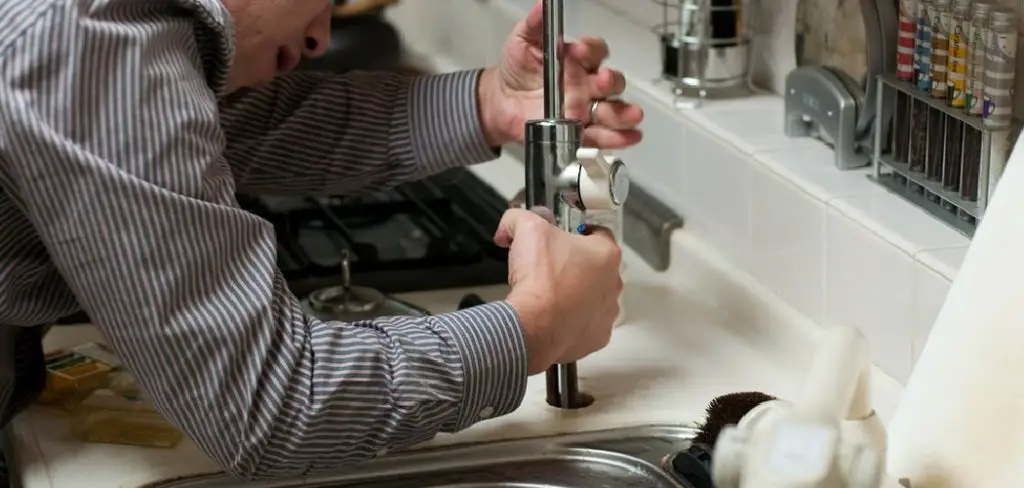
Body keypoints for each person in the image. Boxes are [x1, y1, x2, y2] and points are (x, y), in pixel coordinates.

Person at [0, 0, 644, 482]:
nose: (320, 35)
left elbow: (250, 126)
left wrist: (489, 101)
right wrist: (534, 327)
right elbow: (268, 403)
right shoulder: (89, 38)